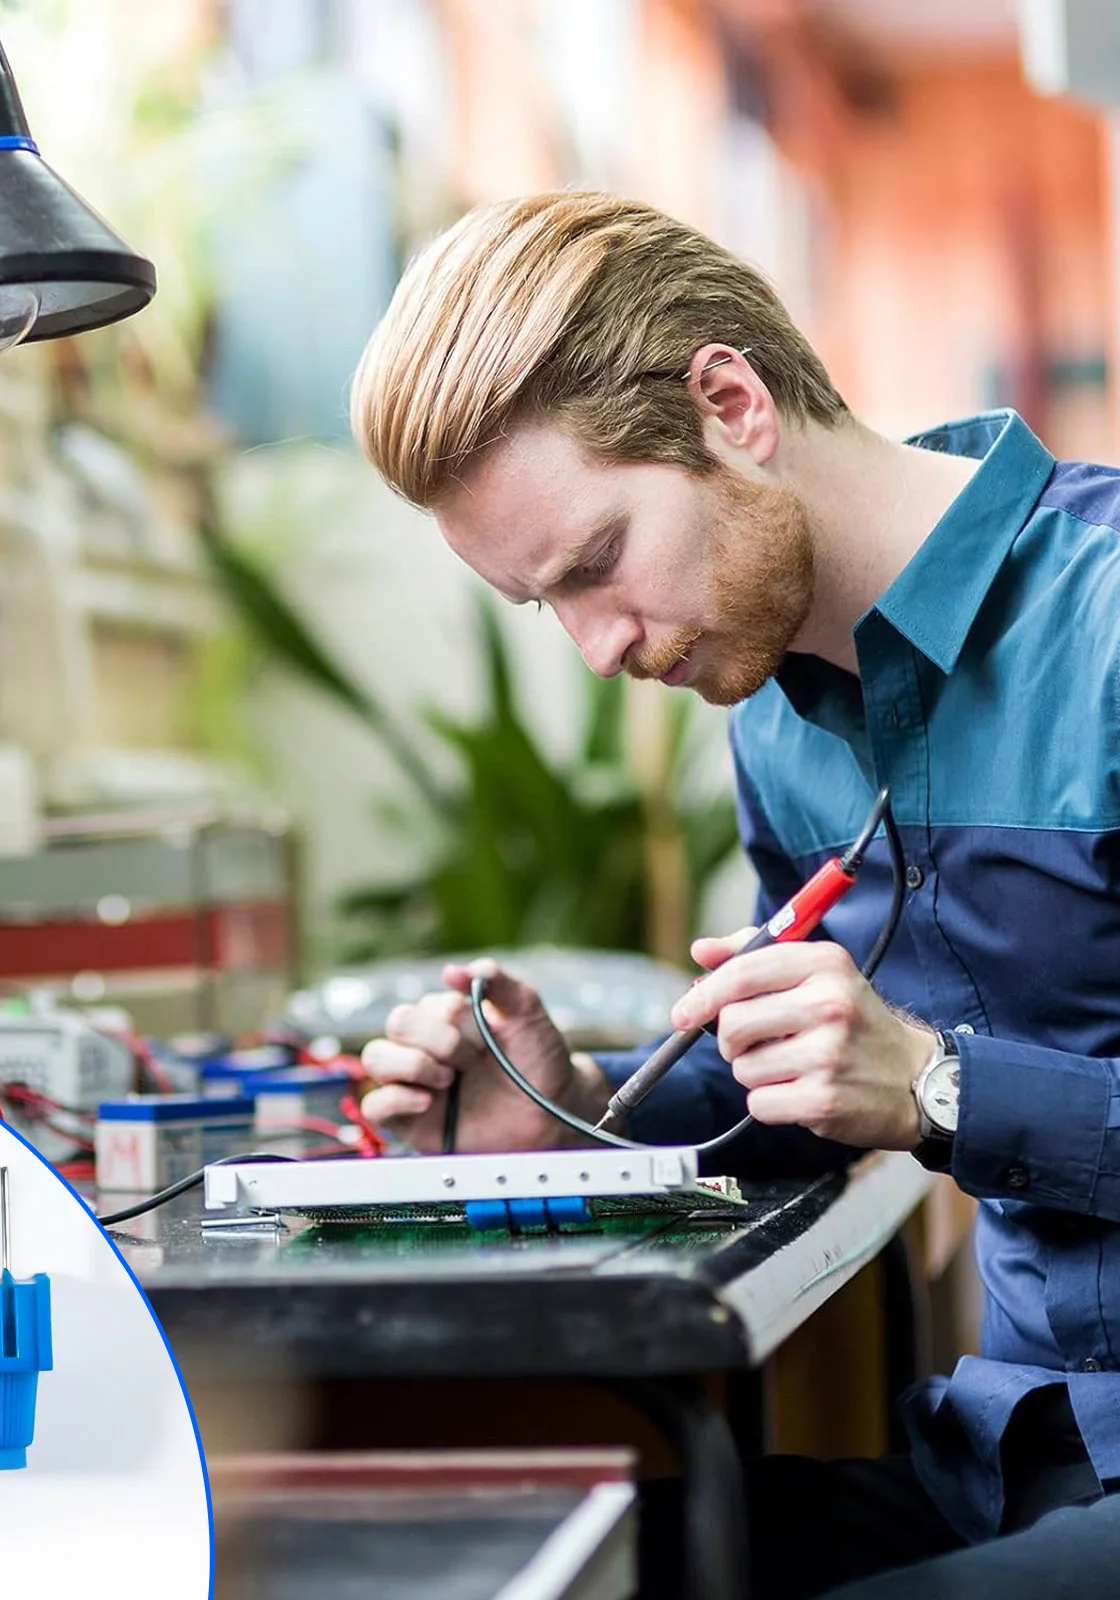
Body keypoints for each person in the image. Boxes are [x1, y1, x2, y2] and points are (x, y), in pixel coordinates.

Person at [347, 189, 1120, 1598]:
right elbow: (809, 1098)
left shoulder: (1110, 623)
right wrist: (576, 1116)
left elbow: (910, 1084)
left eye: (595, 566)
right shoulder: (776, 720)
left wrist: (944, 1089)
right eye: (547, 606)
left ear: (732, 401)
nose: (598, 650)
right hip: (1015, 1456)